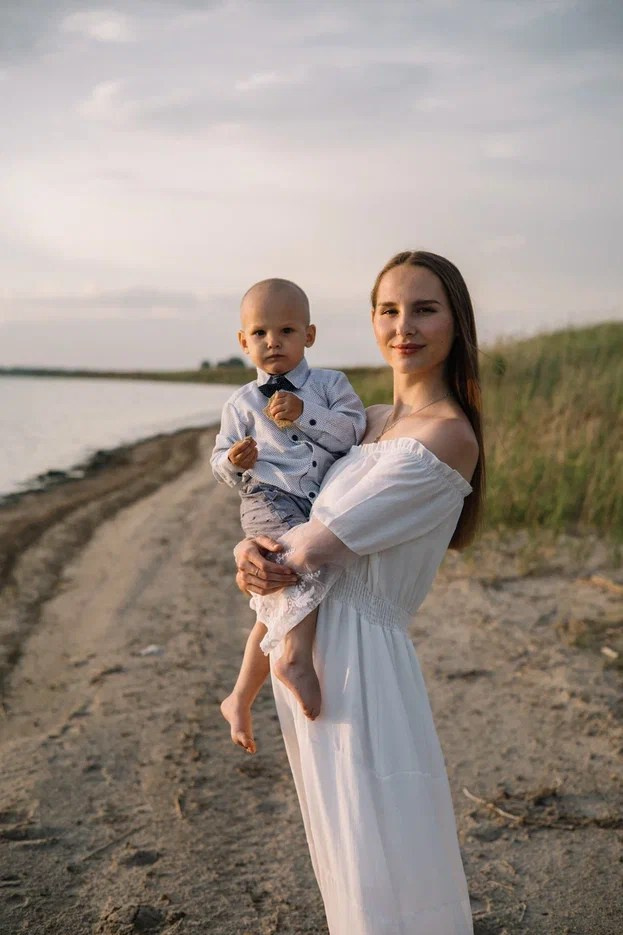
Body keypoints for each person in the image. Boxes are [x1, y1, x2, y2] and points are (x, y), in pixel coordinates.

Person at [233, 251, 483, 934]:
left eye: (424, 308)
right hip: (312, 642)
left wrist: (253, 554)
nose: (403, 326)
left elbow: (315, 543)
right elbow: (287, 505)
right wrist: (245, 548)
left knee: (386, 849)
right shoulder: (363, 420)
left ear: (456, 322)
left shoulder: (448, 436)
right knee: (344, 852)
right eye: (388, 309)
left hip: (363, 665)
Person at [211, 278, 366, 752]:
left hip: (318, 498)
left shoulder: (330, 385)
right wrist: (232, 463)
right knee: (292, 567)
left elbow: (353, 435)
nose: (272, 342)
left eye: (285, 330)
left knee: (275, 598)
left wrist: (304, 413)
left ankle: (240, 695)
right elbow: (219, 461)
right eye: (259, 333)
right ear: (243, 341)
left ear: (309, 336)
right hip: (267, 499)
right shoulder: (240, 404)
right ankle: (294, 658)